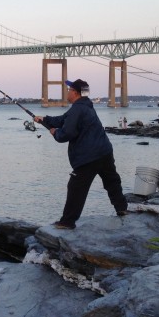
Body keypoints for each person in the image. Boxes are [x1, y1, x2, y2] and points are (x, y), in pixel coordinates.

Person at [34, 79, 128, 230]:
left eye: (69, 90)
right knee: (112, 181)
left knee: (75, 187)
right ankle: (122, 208)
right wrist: (44, 120)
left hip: (88, 157)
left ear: (75, 93)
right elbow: (63, 119)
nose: (67, 92)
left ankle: (67, 222)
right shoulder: (85, 106)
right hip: (104, 152)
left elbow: (67, 133)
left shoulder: (77, 109)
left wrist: (55, 133)